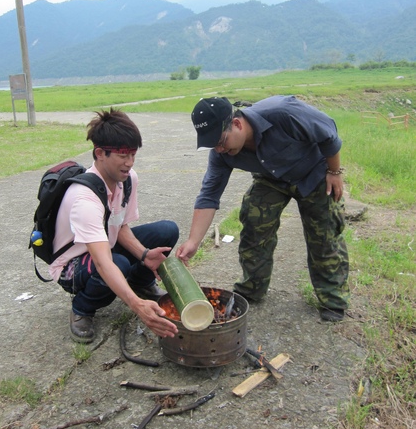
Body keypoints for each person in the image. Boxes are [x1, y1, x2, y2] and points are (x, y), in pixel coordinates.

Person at [176, 95, 350, 322]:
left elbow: (328, 132)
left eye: (220, 141)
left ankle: (333, 300)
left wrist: (334, 172)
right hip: (272, 179)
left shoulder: (283, 112)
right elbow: (209, 195)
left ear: (237, 124)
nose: (218, 149)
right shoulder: (221, 154)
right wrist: (193, 242)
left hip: (315, 173)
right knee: (254, 223)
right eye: (213, 145)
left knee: (325, 234)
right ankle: (252, 287)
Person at [49, 109, 179, 342]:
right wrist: (137, 306)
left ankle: (141, 284)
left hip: (102, 248)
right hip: (73, 264)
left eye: (133, 154)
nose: (129, 163)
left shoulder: (127, 180)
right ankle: (82, 309)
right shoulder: (84, 199)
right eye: (122, 155)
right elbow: (102, 261)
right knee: (117, 264)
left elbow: (119, 227)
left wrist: (145, 254)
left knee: (167, 230)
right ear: (100, 153)